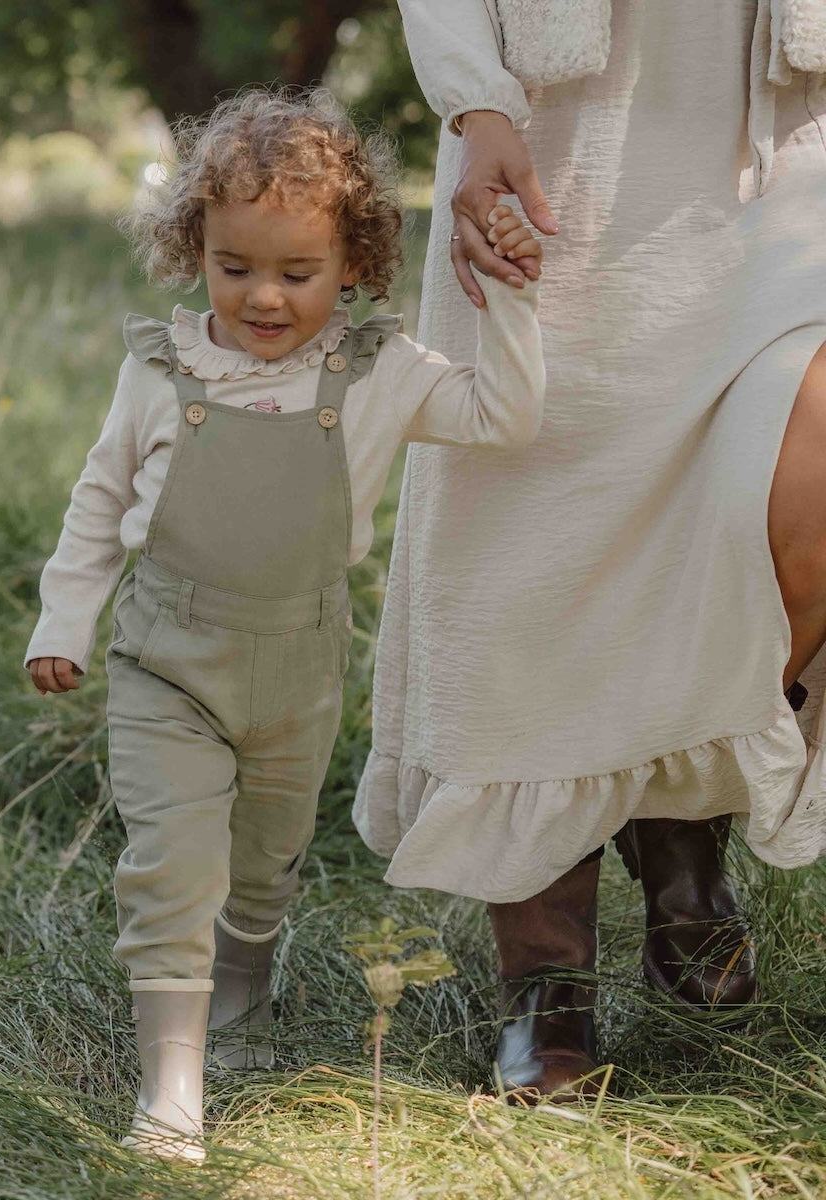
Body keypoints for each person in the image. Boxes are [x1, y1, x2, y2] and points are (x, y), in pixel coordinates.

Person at [25, 87, 548, 1161]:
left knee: (264, 865)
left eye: (296, 274)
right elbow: (97, 499)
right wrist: (61, 621)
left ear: (352, 263)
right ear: (194, 249)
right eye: (234, 267)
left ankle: (244, 992)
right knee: (171, 862)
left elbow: (506, 417)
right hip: (166, 660)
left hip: (299, 666)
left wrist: (516, 301)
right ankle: (171, 1089)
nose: (262, 298)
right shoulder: (161, 370)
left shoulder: (378, 373)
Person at [355, 0, 826, 1102]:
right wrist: (477, 106)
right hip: (563, 151)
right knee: (534, 555)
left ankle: (675, 816)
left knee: (794, 494)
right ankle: (547, 980)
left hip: (783, 155)